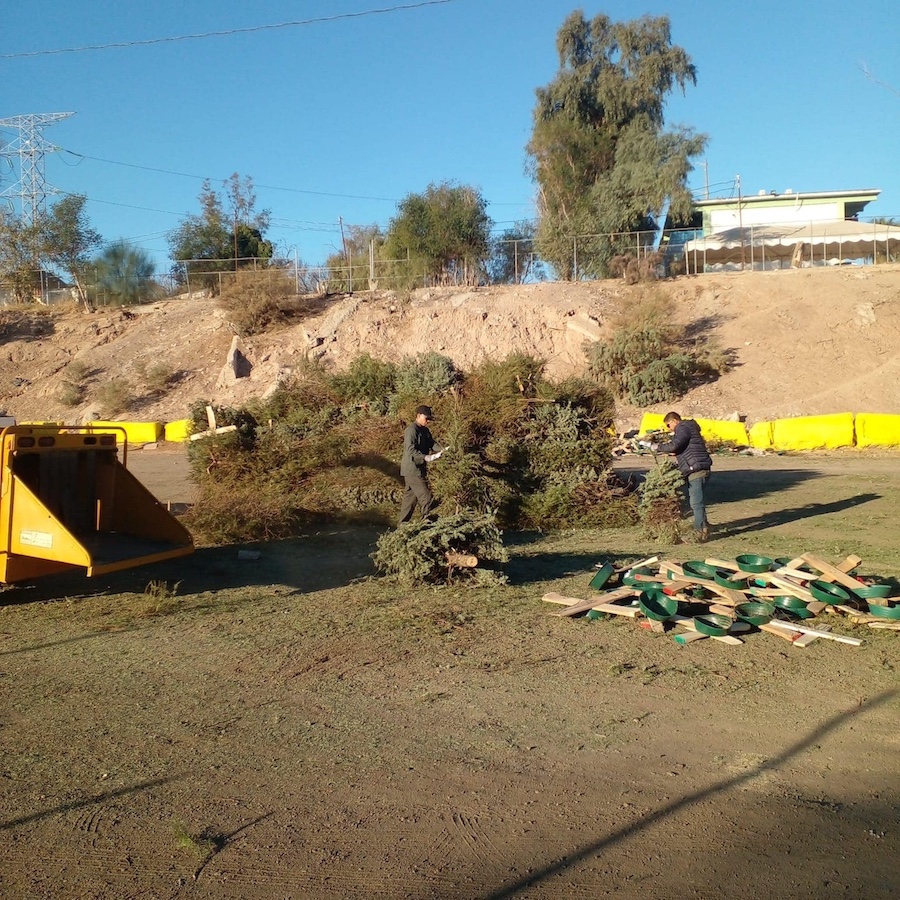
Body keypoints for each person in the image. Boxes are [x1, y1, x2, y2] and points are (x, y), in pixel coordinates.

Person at [650, 411, 713, 542]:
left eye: (668, 425)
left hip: (696, 468)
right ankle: (704, 526)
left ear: (674, 421)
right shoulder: (689, 428)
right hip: (698, 467)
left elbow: (675, 445)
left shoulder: (683, 427)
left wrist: (657, 447)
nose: (669, 429)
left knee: (696, 502)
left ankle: (700, 532)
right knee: (698, 501)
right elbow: (682, 447)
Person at [398, 405, 443, 524]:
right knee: (426, 497)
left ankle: (402, 527)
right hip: (412, 469)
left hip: (419, 469)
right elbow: (410, 450)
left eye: (429, 419)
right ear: (418, 415)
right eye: (426, 418)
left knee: (410, 501)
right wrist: (426, 457)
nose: (428, 421)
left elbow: (432, 444)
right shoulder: (411, 430)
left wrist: (443, 450)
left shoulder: (425, 430)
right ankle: (427, 522)